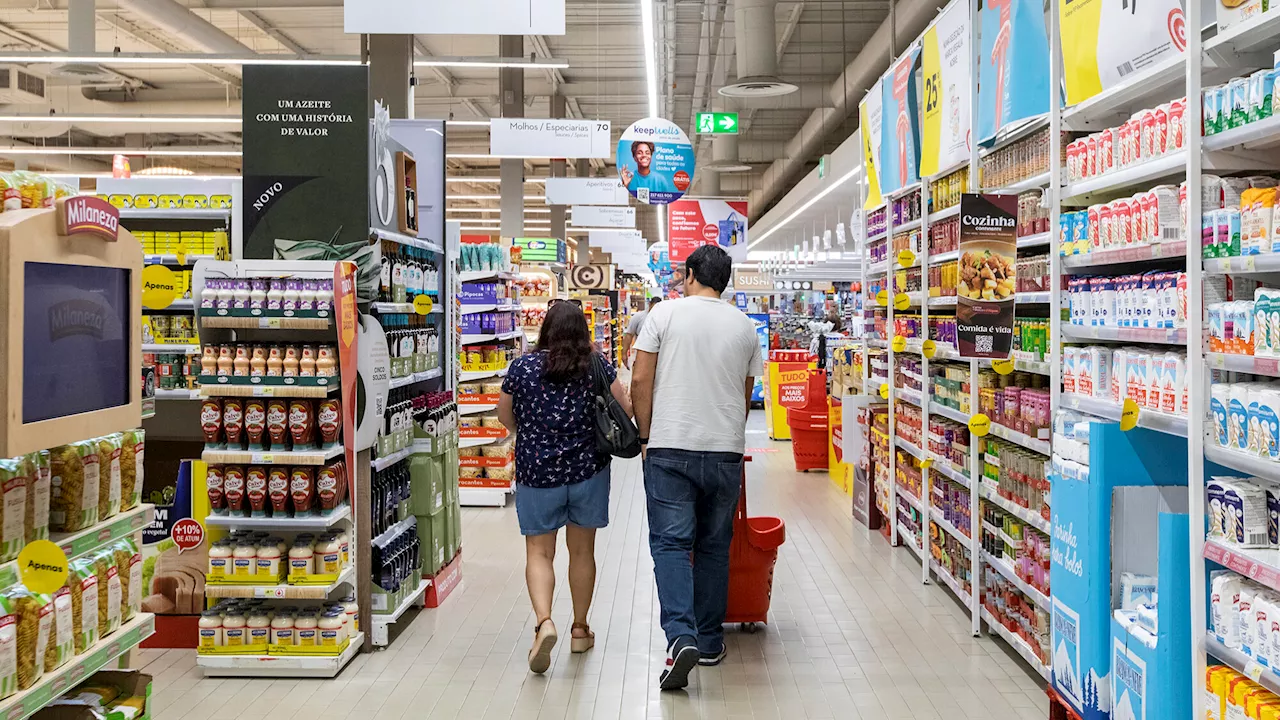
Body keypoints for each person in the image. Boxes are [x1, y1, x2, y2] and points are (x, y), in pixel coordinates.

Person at [630, 245, 764, 690]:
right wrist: (726, 434)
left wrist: (646, 436)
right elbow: (744, 396)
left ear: (689, 275)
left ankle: (680, 636)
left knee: (670, 545)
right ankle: (708, 641)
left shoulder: (664, 316)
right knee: (712, 546)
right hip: (725, 450)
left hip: (669, 445)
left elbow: (640, 380)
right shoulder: (746, 327)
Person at [497, 301, 632, 674]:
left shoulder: (523, 367)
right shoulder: (597, 366)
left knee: (540, 553)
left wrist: (531, 433)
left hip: (537, 473)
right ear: (583, 332)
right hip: (588, 472)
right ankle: (579, 628)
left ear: (545, 330)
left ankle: (544, 622)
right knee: (582, 552)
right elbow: (624, 410)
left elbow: (504, 416)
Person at [622, 296, 661, 369]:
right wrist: (624, 354)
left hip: (659, 359)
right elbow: (629, 335)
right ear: (649, 304)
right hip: (641, 356)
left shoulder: (663, 319)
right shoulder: (638, 317)